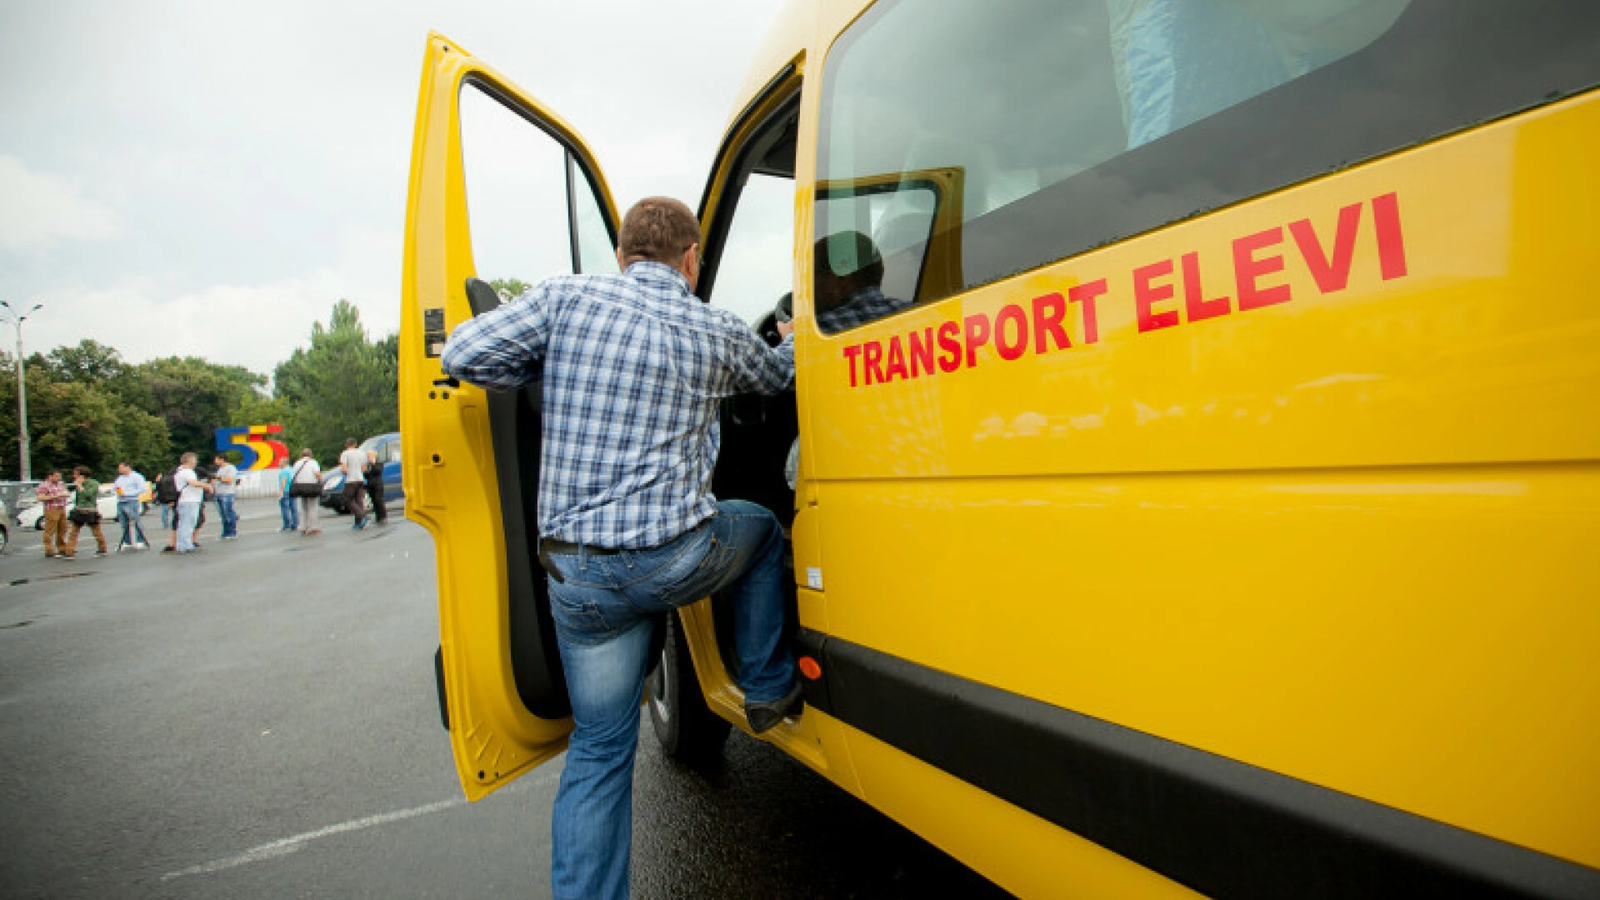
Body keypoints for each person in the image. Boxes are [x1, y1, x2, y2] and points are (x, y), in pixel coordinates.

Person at [441, 196, 800, 900]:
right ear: (691, 260)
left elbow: (462, 353)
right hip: (675, 560)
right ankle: (765, 686)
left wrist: (541, 370)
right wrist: (791, 333)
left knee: (601, 750)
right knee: (760, 528)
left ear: (621, 254)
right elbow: (778, 376)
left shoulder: (564, 299)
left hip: (580, 577)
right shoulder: (716, 328)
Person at [813, 230, 909, 334]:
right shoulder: (915, 313)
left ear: (842, 276)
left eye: (813, 275)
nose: (806, 289)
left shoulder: (820, 330)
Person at [63, 466, 109, 558]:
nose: (74, 476)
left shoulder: (93, 483)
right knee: (73, 532)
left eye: (76, 474)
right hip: (79, 509)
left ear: (82, 475)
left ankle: (102, 548)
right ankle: (69, 551)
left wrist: (80, 486)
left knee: (96, 531)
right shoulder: (76, 484)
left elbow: (88, 495)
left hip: (90, 510)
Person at [173, 453, 212, 553]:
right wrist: (207, 486)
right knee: (188, 523)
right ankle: (185, 545)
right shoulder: (188, 472)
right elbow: (193, 483)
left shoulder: (179, 471)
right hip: (190, 500)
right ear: (191, 461)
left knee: (183, 523)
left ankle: (182, 544)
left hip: (185, 500)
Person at [112, 461, 151, 551]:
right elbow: (114, 488)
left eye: (121, 468)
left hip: (131, 501)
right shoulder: (119, 479)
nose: (119, 470)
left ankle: (140, 540)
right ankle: (127, 542)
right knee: (124, 523)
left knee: (135, 521)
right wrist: (116, 492)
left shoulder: (136, 477)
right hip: (121, 502)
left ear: (127, 467)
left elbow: (142, 489)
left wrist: (127, 494)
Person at [34, 469, 70, 559]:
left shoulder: (61, 484)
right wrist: (56, 496)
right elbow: (40, 497)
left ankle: (62, 548)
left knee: (63, 529)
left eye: (60, 476)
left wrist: (66, 494)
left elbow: (66, 492)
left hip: (62, 507)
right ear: (50, 476)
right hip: (51, 509)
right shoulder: (44, 485)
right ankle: (49, 550)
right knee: (50, 530)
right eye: (57, 476)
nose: (59, 478)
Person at [288, 448, 322, 536]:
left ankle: (303, 527)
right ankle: (312, 527)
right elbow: (317, 474)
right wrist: (320, 482)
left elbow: (293, 476)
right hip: (311, 486)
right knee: (312, 507)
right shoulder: (313, 462)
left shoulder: (297, 463)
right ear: (310, 455)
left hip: (300, 487)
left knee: (304, 507)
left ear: (301, 455)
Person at [338, 438, 369, 529]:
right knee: (359, 500)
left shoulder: (345, 454)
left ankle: (363, 515)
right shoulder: (361, 453)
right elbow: (364, 468)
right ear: (355, 444)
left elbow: (343, 468)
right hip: (360, 479)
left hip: (351, 480)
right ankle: (359, 522)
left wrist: (346, 473)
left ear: (346, 445)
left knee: (348, 500)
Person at [211, 454, 240, 540]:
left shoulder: (230, 468)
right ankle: (225, 532)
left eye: (216, 459)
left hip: (227, 493)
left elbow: (229, 480)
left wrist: (217, 477)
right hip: (219, 493)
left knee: (228, 513)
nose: (215, 461)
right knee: (223, 515)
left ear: (222, 459)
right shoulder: (220, 469)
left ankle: (232, 532)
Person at [363, 449, 388, 526]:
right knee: (374, 501)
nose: (369, 458)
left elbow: (378, 471)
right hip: (370, 484)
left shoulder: (378, 463)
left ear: (374, 456)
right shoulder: (368, 465)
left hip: (378, 484)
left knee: (378, 500)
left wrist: (373, 464)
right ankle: (378, 517)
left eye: (370, 456)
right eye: (368, 456)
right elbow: (367, 476)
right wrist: (365, 471)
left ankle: (383, 516)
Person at [277, 458, 300, 533]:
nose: (279, 463)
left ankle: (287, 526)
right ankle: (295, 525)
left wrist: (281, 491)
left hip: (286, 491)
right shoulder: (292, 470)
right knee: (294, 509)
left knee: (285, 508)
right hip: (293, 490)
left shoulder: (284, 471)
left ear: (284, 463)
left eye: (280, 462)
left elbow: (283, 481)